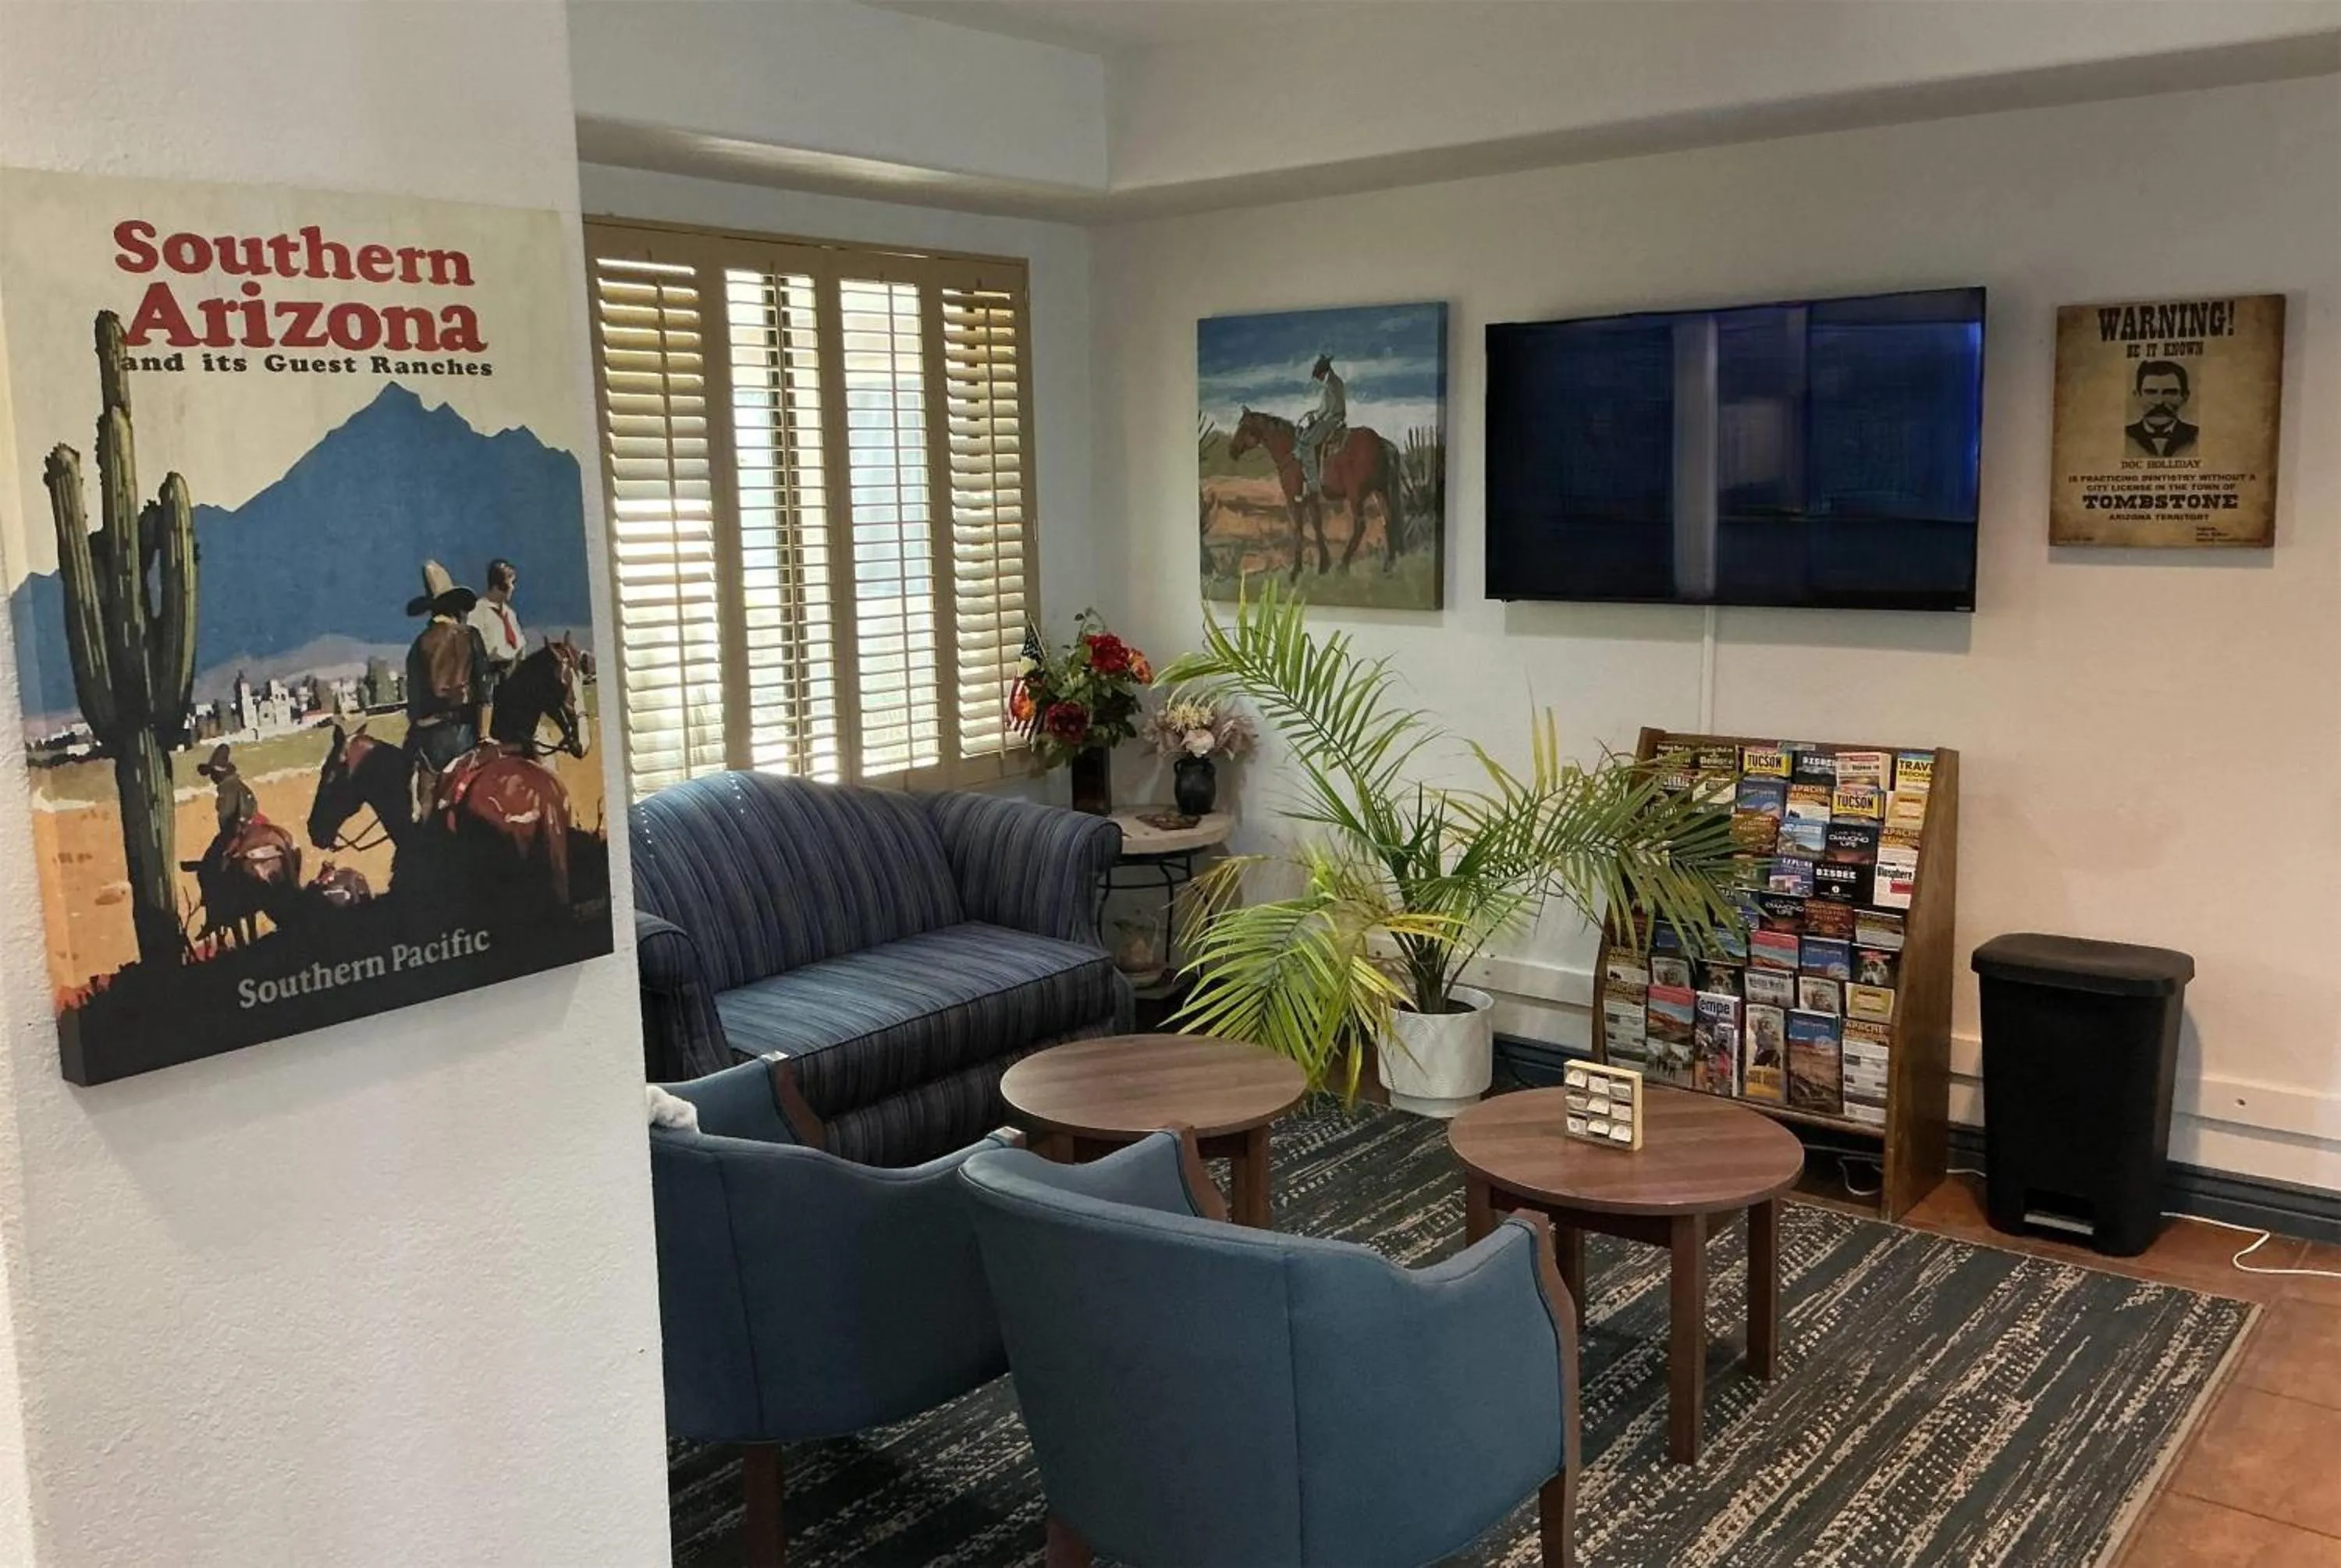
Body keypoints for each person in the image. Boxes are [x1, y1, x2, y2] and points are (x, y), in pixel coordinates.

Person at [402, 559, 490, 819]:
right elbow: (486, 691)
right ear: (455, 608)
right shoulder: (471, 635)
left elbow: (414, 708)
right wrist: (484, 735)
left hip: (432, 744)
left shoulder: (418, 646)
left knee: (423, 817)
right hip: (470, 735)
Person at [187, 744, 261, 873]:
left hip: (239, 827)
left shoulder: (227, 789)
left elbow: (226, 818)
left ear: (217, 775)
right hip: (256, 821)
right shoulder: (239, 785)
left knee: (217, 857)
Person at [468, 558, 524, 702]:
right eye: (511, 583)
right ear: (497, 585)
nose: (513, 588)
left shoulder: (510, 614)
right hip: (490, 681)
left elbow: (520, 646)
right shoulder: (477, 612)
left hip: (514, 676)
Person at [1293, 352, 1346, 498]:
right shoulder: (1333, 383)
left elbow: (1334, 408)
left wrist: (1319, 419)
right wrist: (1315, 415)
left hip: (1332, 420)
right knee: (1306, 433)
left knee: (1306, 443)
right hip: (1330, 417)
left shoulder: (1332, 384)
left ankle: (1313, 486)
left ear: (1324, 372)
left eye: (1319, 375)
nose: (1318, 378)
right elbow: (1325, 407)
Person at [2124, 359, 2200, 459]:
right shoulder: (2125, 435)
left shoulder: (2197, 435)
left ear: (2185, 397)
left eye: (2170, 393)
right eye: (2151, 392)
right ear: (2137, 396)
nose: (2159, 402)